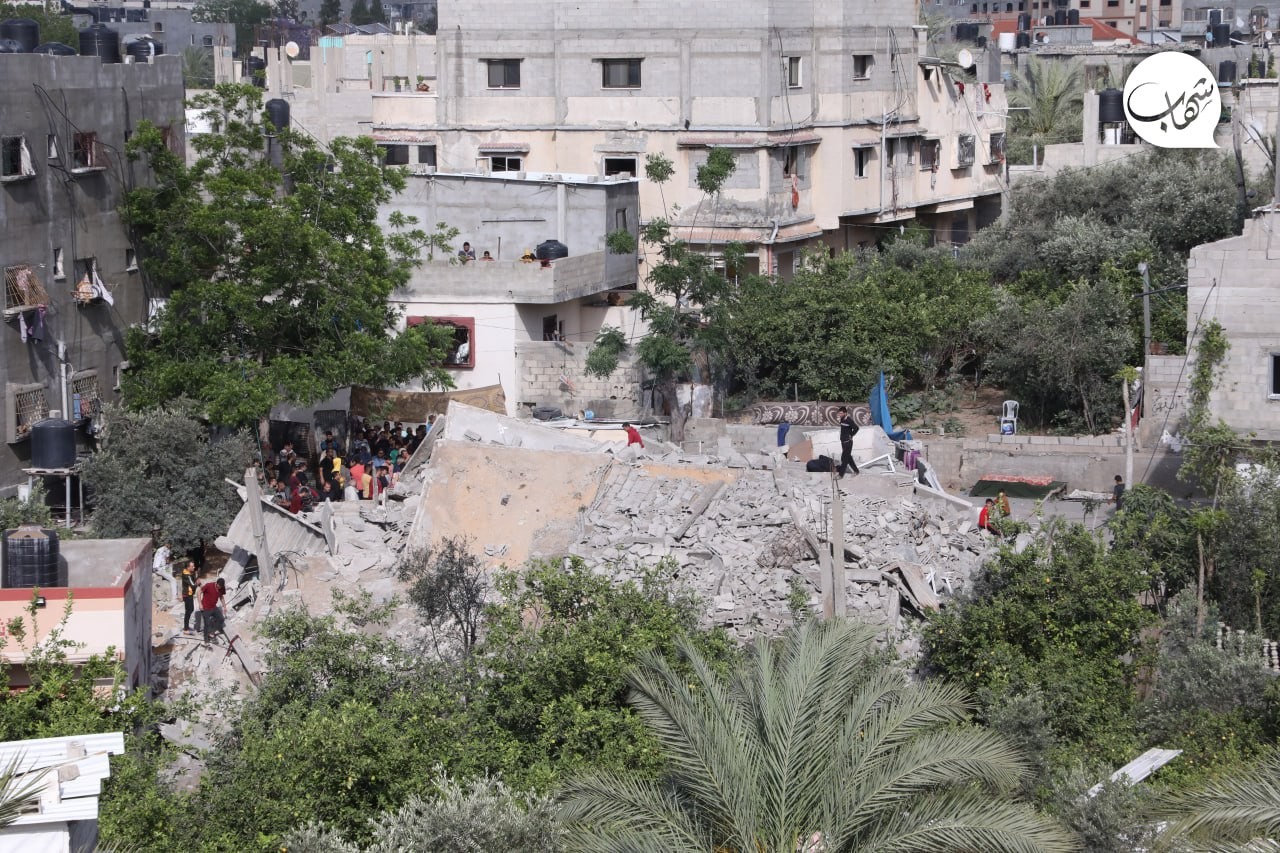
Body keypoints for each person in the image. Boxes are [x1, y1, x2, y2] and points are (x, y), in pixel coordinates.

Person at [200, 577, 227, 646]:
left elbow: (221, 597)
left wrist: (224, 607)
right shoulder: (209, 585)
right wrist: (200, 604)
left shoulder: (222, 588)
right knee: (206, 624)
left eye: (221, 587)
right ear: (216, 583)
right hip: (205, 607)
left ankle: (211, 633)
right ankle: (206, 641)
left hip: (213, 607)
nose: (219, 588)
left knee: (221, 619)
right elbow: (199, 592)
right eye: (218, 586)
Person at [837, 406, 859, 478]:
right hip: (843, 441)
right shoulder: (842, 419)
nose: (840, 415)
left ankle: (840, 475)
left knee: (844, 458)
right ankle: (856, 471)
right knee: (848, 457)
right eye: (839, 413)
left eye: (841, 413)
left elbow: (856, 428)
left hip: (848, 442)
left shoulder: (849, 420)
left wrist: (851, 435)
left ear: (845, 413)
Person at [180, 561, 198, 633]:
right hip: (187, 595)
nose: (194, 567)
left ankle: (186, 627)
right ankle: (186, 629)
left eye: (194, 566)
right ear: (188, 567)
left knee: (190, 609)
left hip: (189, 594)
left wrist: (196, 577)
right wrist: (197, 583)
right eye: (192, 566)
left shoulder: (189, 573)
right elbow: (193, 585)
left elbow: (193, 579)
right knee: (188, 611)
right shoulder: (187, 575)